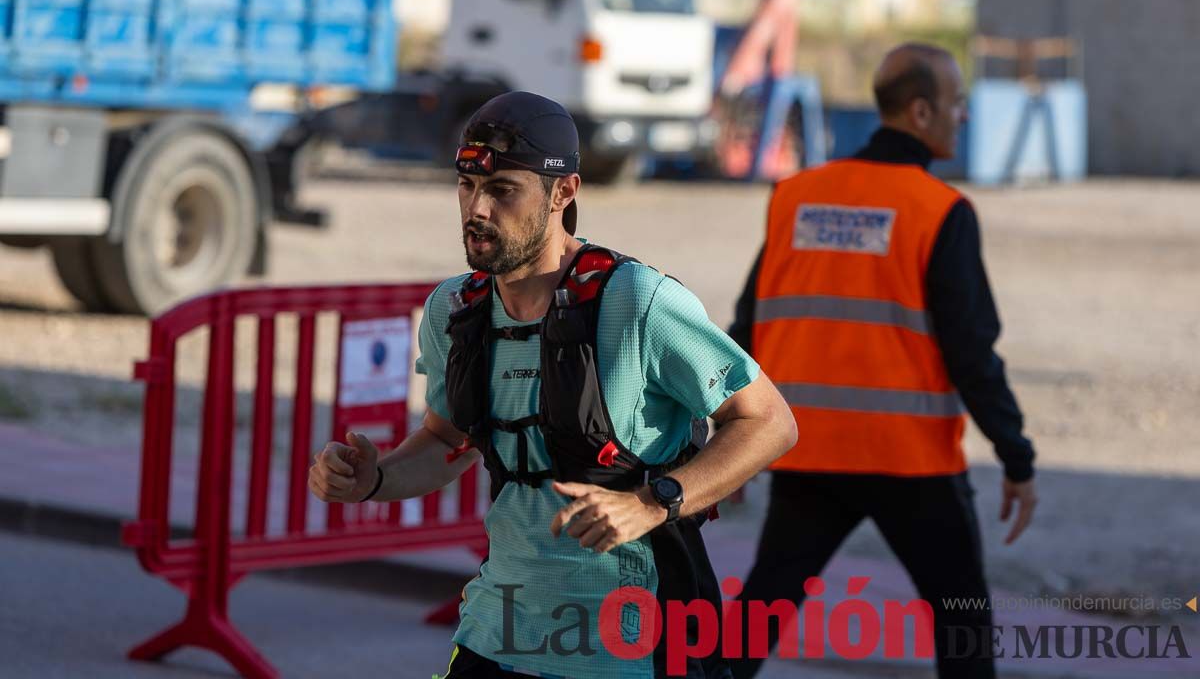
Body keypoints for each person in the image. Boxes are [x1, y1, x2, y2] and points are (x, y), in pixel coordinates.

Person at [309, 91, 797, 679]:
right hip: (500, 628)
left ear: (563, 193)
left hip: (632, 646)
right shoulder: (454, 310)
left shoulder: (637, 301)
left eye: (502, 190)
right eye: (466, 186)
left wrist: (652, 502)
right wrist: (375, 478)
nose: (477, 209)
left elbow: (769, 422)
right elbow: (445, 440)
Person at [726, 43, 1038, 679]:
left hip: (805, 450)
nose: (965, 116)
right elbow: (971, 350)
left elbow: (744, 328)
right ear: (921, 112)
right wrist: (1016, 455)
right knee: (962, 630)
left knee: (758, 614)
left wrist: (723, 432)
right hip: (909, 459)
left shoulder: (796, 197)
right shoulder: (939, 211)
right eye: (957, 104)